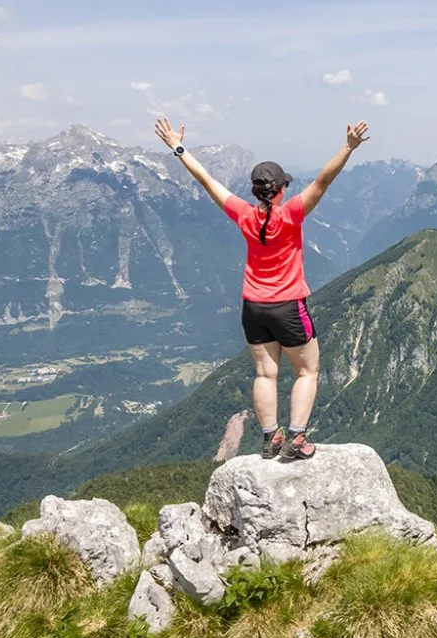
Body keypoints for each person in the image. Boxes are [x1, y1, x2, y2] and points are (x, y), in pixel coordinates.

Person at [154, 116, 370, 460]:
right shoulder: (291, 215)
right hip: (288, 306)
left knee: (264, 373)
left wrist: (178, 148)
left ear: (254, 191)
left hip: (253, 307)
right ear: (281, 189)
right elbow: (323, 180)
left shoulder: (243, 214)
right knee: (307, 370)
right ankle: (296, 440)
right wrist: (349, 147)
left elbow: (208, 181)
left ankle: (271, 437)